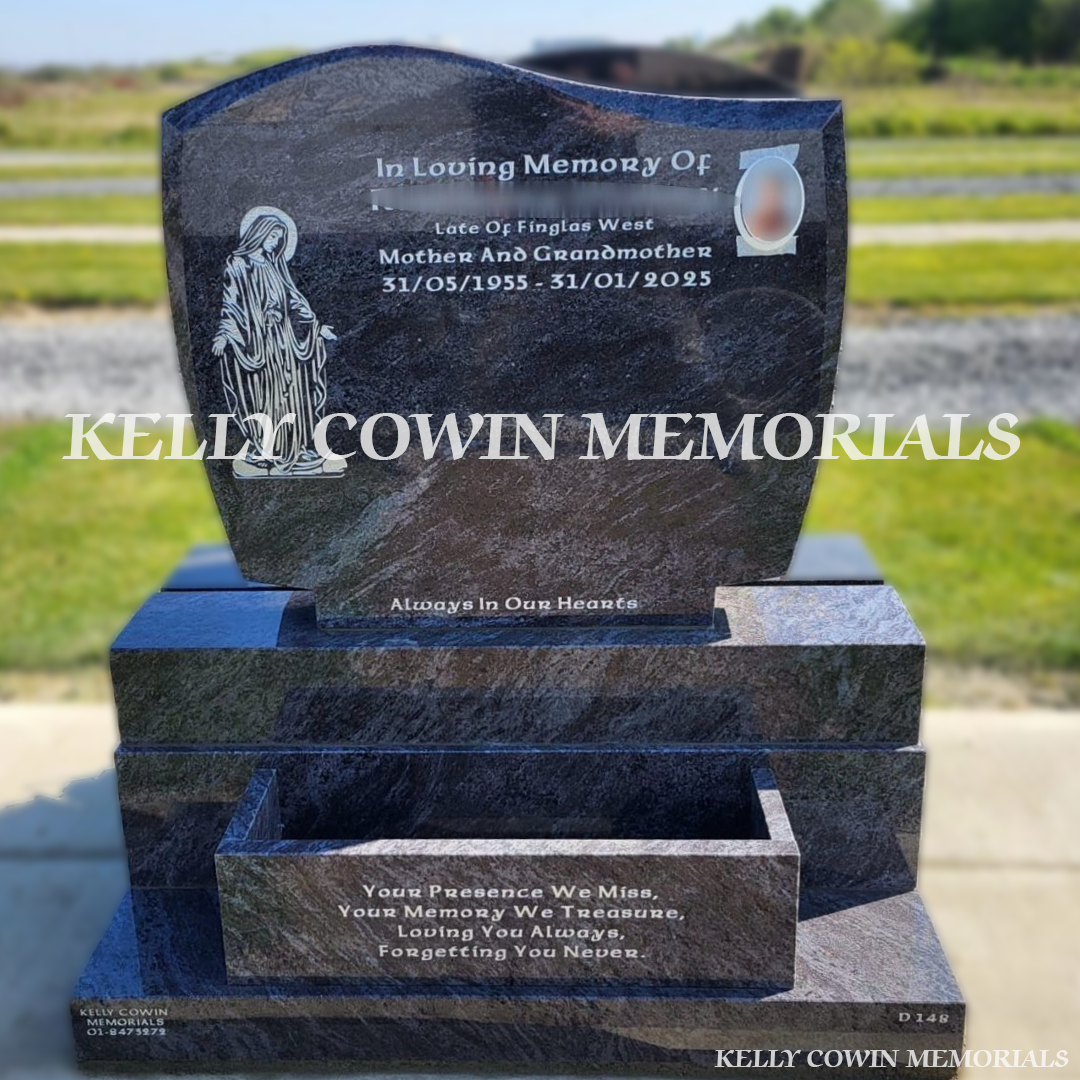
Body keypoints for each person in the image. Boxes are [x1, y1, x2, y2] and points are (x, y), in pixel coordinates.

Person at [212, 206, 342, 477]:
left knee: (293, 394)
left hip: (285, 341)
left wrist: (316, 327)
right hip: (257, 341)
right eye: (272, 238)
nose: (276, 244)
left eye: (279, 240)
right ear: (259, 235)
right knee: (267, 396)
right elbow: (231, 302)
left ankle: (297, 448)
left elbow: (293, 299)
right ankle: (265, 450)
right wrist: (225, 333)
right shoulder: (238, 263)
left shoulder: (275, 264)